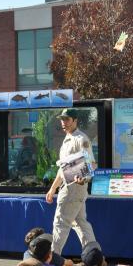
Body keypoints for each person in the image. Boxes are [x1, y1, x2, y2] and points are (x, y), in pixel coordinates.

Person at [45, 108, 97, 255]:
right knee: (81, 223)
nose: (64, 122)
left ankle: (53, 259)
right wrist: (53, 188)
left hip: (73, 188)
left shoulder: (81, 139)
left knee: (60, 223)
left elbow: (91, 164)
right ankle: (94, 258)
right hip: (71, 188)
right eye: (62, 119)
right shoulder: (68, 138)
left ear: (75, 121)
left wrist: (84, 179)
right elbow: (63, 169)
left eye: (67, 119)